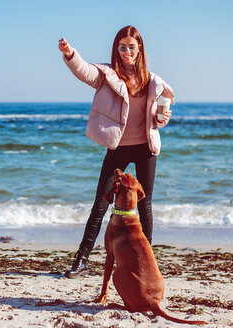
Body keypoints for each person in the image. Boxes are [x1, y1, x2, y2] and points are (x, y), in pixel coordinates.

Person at [58, 25, 175, 278]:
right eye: (122, 47)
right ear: (117, 49)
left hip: (145, 148)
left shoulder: (153, 81)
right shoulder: (108, 75)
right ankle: (82, 259)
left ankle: (147, 260)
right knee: (100, 204)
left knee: (145, 206)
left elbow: (160, 117)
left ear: (139, 48)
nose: (126, 52)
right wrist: (70, 54)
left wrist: (163, 118)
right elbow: (85, 71)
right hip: (118, 149)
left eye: (131, 47)